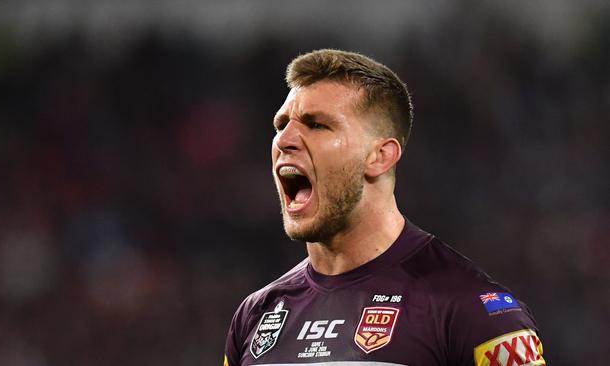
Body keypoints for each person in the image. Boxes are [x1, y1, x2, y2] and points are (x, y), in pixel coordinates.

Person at [224, 49, 545, 366]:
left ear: (380, 156)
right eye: (281, 125)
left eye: (317, 125)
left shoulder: (473, 311)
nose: (285, 139)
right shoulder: (255, 316)